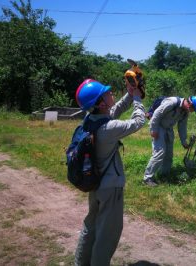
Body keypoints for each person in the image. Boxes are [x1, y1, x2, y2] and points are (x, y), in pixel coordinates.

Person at [74, 79, 145, 265]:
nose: (111, 93)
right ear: (101, 102)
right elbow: (139, 121)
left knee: (90, 227)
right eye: (107, 93)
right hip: (111, 188)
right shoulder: (110, 129)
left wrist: (130, 94)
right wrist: (137, 99)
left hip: (94, 184)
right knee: (107, 234)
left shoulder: (90, 121)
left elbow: (114, 111)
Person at [143, 96, 196, 186]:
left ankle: (164, 174)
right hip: (158, 126)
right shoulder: (172, 102)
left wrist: (184, 142)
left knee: (168, 155)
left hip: (168, 129)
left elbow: (182, 126)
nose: (191, 111)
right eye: (192, 109)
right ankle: (147, 178)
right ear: (190, 104)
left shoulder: (185, 112)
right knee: (159, 152)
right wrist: (154, 130)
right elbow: (157, 114)